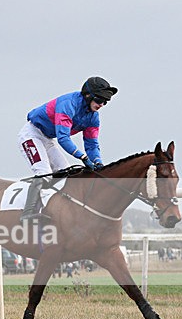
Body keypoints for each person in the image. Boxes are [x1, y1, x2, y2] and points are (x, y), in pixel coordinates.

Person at [18, 76, 118, 223]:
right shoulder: (68, 104)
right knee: (43, 172)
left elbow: (91, 144)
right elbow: (63, 138)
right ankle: (28, 212)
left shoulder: (93, 117)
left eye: (105, 102)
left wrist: (98, 163)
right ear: (88, 95)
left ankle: (54, 206)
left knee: (66, 173)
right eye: (99, 100)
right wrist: (83, 158)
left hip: (47, 138)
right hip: (32, 134)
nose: (101, 104)